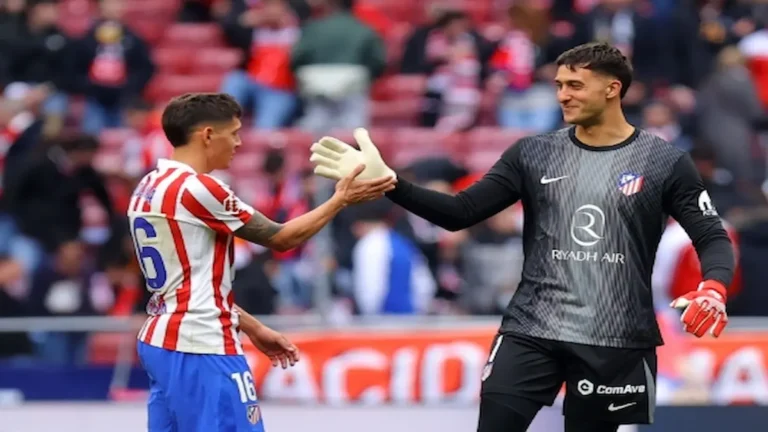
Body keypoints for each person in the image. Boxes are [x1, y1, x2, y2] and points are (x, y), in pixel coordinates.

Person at [309, 43, 736, 431]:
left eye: (575, 85)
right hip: (532, 329)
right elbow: (461, 213)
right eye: (559, 85)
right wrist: (392, 184)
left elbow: (711, 235)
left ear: (612, 89)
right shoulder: (533, 153)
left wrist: (713, 288)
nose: (562, 95)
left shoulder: (664, 162)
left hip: (616, 337)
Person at [129, 92, 395, 432]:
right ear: (208, 135)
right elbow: (281, 238)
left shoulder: (149, 186)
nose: (239, 143)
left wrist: (252, 327)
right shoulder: (200, 189)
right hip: (202, 345)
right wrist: (341, 199)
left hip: (160, 339)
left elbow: (188, 284)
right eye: (234, 133)